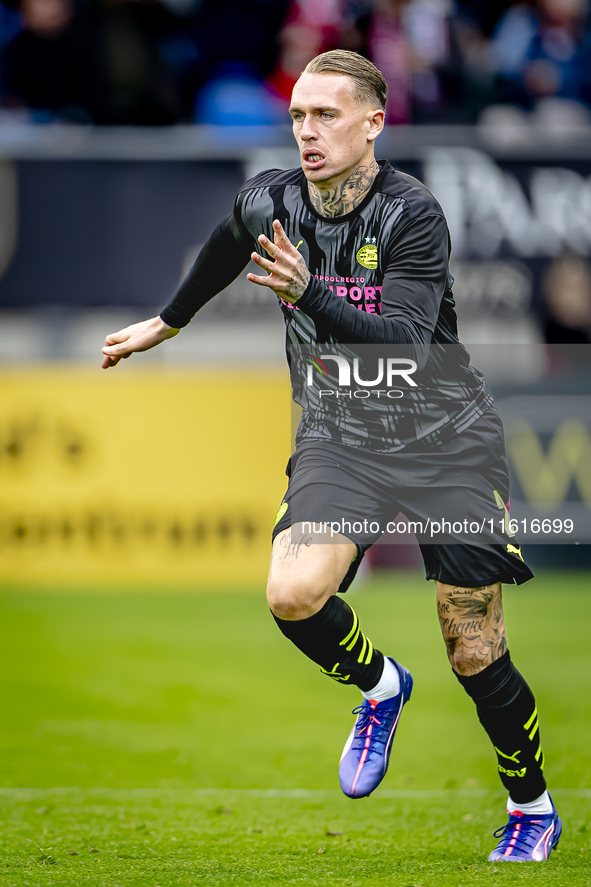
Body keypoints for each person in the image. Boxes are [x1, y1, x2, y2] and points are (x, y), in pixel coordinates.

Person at [101, 49, 561, 863]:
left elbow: (408, 343)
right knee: (290, 592)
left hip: (442, 441)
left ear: (373, 121)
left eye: (326, 115)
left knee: (473, 645)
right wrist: (167, 324)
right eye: (298, 116)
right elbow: (222, 241)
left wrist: (307, 290)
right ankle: (381, 687)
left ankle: (531, 806)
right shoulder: (272, 198)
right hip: (340, 433)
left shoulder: (411, 213)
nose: (307, 132)